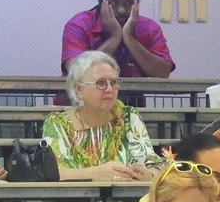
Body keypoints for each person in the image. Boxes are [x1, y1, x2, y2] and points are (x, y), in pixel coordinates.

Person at [44, 51, 157, 181]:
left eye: (114, 82)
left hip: (128, 193)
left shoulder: (128, 117)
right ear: (79, 89)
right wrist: (95, 174)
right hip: (77, 195)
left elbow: (155, 166)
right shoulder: (58, 124)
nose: (109, 89)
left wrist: (149, 176)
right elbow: (53, 174)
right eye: (101, 83)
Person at [60, 0, 174, 82]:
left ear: (136, 4)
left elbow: (163, 72)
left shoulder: (149, 28)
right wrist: (115, 38)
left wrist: (129, 38)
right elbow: (77, 72)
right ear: (101, 4)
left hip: (131, 96)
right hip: (81, 96)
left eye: (128, 3)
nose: (121, 10)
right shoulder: (79, 24)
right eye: (114, 3)